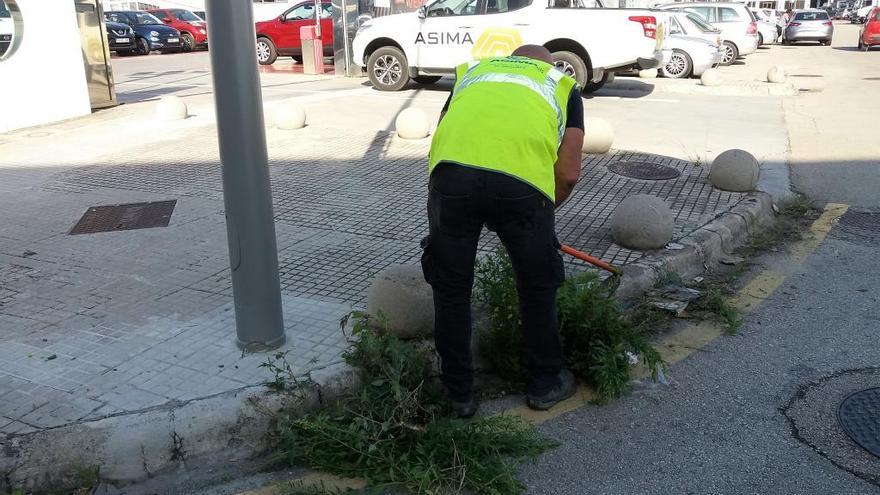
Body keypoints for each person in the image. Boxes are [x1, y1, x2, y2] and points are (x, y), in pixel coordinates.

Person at [420, 45, 585, 418]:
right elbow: (569, 173)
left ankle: (457, 393)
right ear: (546, 63)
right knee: (537, 284)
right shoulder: (561, 84)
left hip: (451, 176)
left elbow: (448, 125)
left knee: (451, 288)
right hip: (522, 186)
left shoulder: (471, 72)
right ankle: (545, 383)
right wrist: (540, 216)